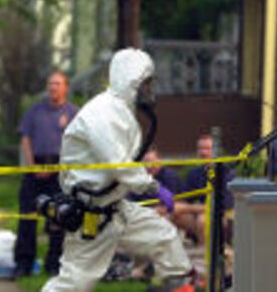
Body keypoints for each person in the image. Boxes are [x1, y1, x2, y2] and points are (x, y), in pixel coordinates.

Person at [42, 48, 194, 292]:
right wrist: (154, 186)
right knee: (75, 283)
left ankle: (179, 286)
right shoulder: (102, 114)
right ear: (131, 80)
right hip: (91, 213)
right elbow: (119, 164)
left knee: (164, 237)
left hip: (116, 208)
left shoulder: (121, 112)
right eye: (146, 83)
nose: (149, 89)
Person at [14, 70, 79, 277]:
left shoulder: (73, 113)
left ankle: (54, 264)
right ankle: (23, 263)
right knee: (27, 217)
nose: (53, 88)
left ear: (66, 88)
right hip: (35, 167)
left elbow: (78, 146)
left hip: (60, 170)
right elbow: (25, 139)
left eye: (57, 84)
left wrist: (57, 168)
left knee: (59, 218)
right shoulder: (34, 111)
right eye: (50, 84)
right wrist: (32, 166)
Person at [182, 135, 235, 245]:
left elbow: (224, 206)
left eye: (207, 149)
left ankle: (207, 252)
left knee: (203, 220)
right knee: (174, 215)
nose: (203, 152)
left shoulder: (226, 173)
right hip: (201, 212)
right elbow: (185, 200)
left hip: (224, 216)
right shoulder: (195, 173)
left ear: (217, 152)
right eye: (200, 148)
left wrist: (189, 208)